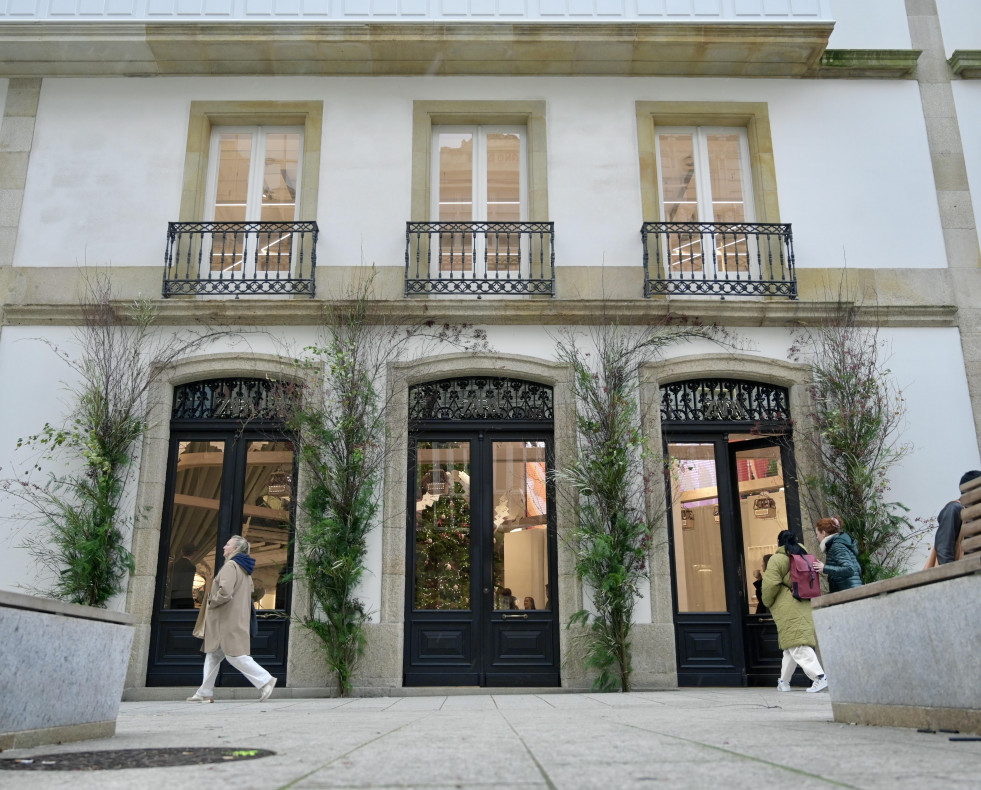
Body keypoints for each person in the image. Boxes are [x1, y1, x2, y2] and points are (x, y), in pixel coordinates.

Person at [187, 535, 277, 703]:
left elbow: (225, 592)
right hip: (234, 619)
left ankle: (266, 680)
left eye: (227, 545)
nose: (224, 547)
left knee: (235, 655)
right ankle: (204, 692)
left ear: (235, 549)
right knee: (213, 654)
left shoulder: (231, 566)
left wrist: (211, 602)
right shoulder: (244, 569)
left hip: (225, 621)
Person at [761, 530, 828, 693]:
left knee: (797, 644)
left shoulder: (777, 559)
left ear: (779, 542)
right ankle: (783, 681)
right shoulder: (803, 555)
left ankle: (819, 677)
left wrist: (767, 601)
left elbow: (770, 585)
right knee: (790, 645)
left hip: (787, 606)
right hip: (804, 601)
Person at [925, 470, 981, 568]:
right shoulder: (955, 509)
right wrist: (953, 574)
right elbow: (943, 548)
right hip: (960, 575)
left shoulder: (975, 514)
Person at [814, 516, 862, 592]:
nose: (817, 537)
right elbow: (857, 568)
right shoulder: (840, 543)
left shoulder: (836, 546)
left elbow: (849, 569)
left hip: (848, 594)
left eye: (817, 534)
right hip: (853, 590)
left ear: (823, 533)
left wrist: (825, 568)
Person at [170, 543, 198, 609]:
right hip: (186, 599)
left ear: (182, 552)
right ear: (194, 553)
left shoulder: (174, 565)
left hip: (173, 598)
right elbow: (187, 584)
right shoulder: (192, 567)